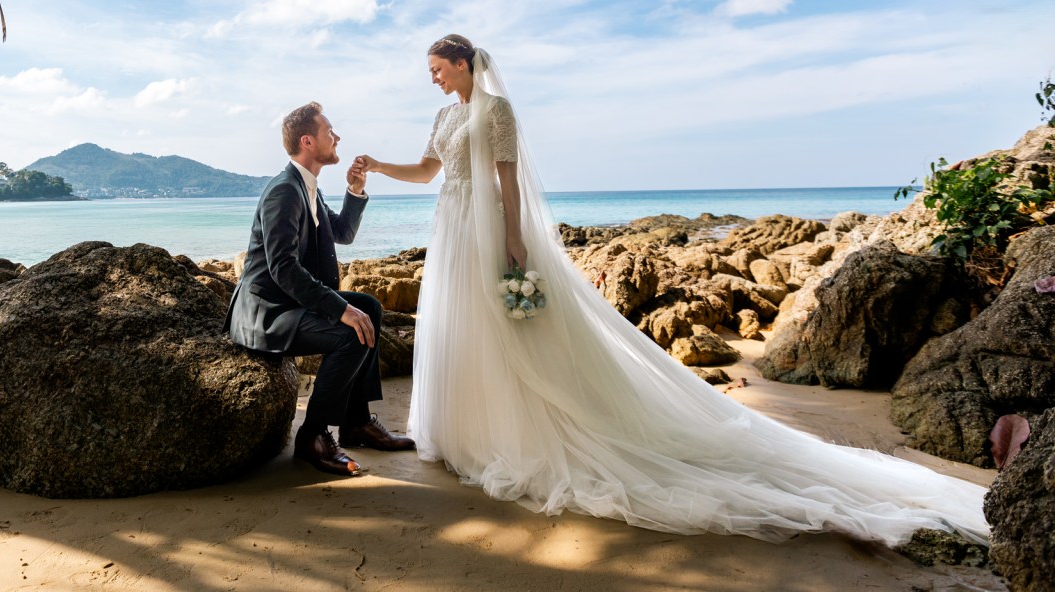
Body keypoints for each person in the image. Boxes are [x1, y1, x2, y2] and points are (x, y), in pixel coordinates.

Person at [353, 34, 990, 544]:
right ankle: (464, 431)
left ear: (464, 63)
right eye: (431, 72)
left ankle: (510, 431)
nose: (433, 77)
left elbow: (509, 178)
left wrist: (516, 239)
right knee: (461, 327)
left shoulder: (498, 110)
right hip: (452, 228)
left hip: (489, 228)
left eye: (438, 67)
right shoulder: (444, 115)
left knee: (504, 330)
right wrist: (380, 166)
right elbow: (431, 170)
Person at [227, 102, 417, 476]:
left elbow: (342, 233)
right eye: (330, 131)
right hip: (268, 311)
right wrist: (338, 309)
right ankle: (313, 436)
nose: (338, 137)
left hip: (289, 302)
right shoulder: (284, 191)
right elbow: (283, 267)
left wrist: (355, 191)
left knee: (369, 307)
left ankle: (356, 423)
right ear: (308, 141)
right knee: (349, 331)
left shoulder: (308, 188)